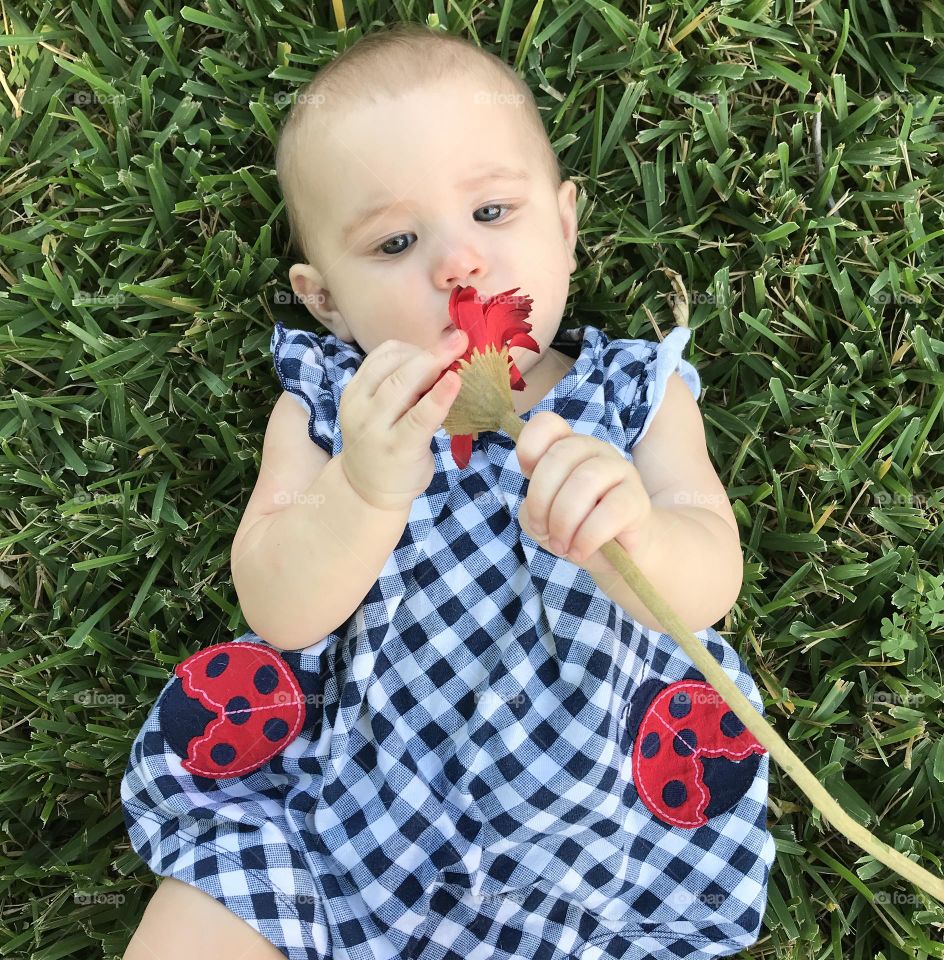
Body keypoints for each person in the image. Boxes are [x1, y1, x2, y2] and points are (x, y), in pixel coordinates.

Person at [121, 22, 776, 960]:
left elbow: (711, 576)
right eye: (394, 241)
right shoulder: (327, 408)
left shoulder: (637, 394)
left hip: (593, 831)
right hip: (343, 815)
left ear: (565, 224)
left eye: (493, 214)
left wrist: (635, 529)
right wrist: (363, 487)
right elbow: (278, 603)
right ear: (327, 301)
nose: (457, 264)